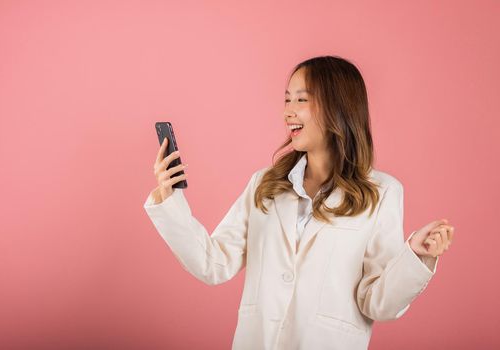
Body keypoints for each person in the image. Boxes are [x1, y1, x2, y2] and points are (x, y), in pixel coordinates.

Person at [144, 55, 455, 350]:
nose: (287, 111)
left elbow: (377, 302)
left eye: (301, 100)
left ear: (338, 107)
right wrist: (169, 198)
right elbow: (213, 264)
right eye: (286, 99)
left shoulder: (382, 192)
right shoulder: (264, 185)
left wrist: (415, 256)